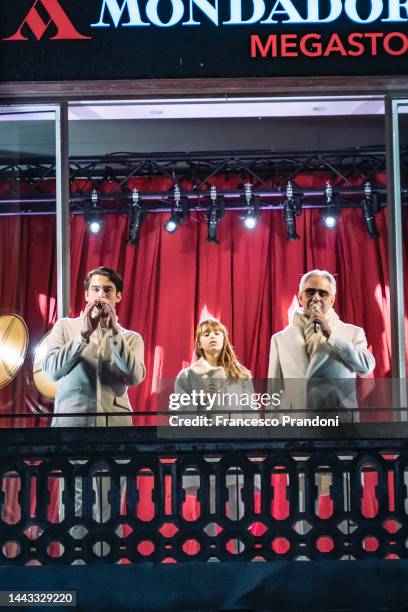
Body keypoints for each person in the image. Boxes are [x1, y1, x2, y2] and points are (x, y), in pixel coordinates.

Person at [44, 266, 145, 427]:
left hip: (116, 427)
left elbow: (134, 378)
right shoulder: (64, 327)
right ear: (86, 295)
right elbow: (51, 373)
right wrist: (83, 335)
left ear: (118, 296)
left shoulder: (131, 338)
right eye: (95, 289)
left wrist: (114, 333)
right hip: (72, 425)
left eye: (108, 290)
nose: (101, 296)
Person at [268, 269, 376, 418]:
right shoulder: (280, 339)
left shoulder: (352, 333)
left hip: (338, 426)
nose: (316, 298)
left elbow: (366, 367)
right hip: (296, 427)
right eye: (310, 292)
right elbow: (275, 393)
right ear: (300, 297)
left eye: (322, 293)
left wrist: (331, 336)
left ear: (332, 300)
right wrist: (275, 434)